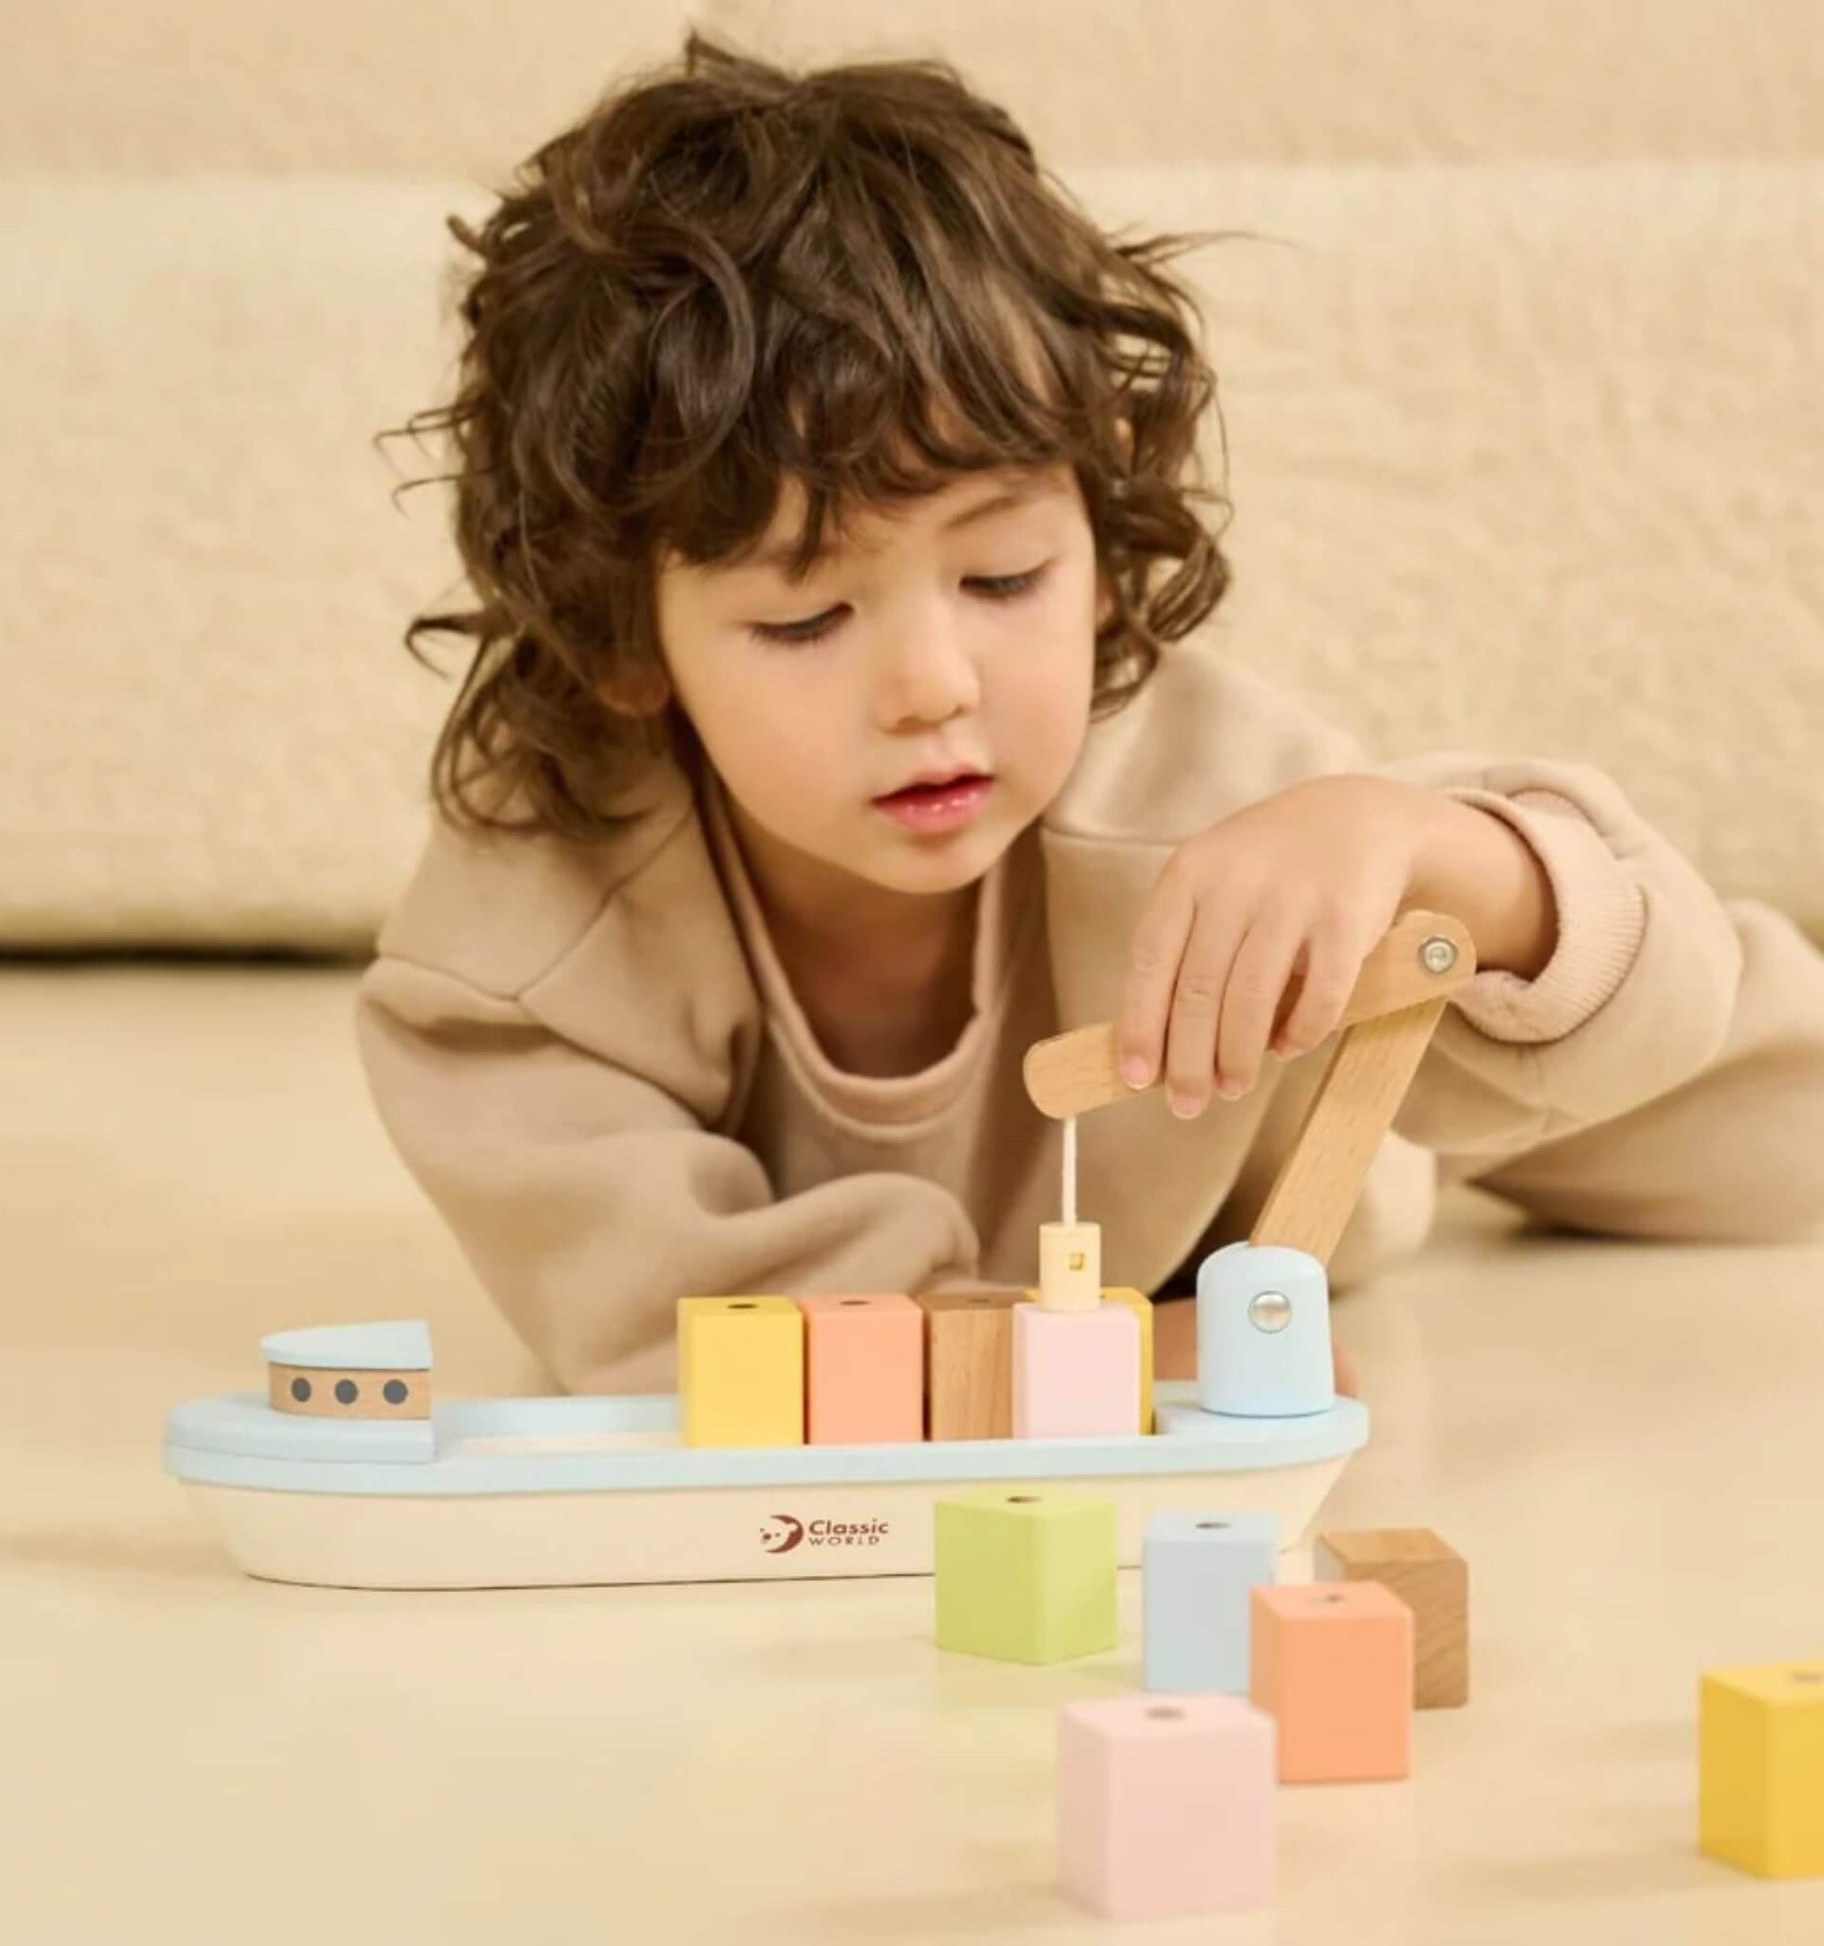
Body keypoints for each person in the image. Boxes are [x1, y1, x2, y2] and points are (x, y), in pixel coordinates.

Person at [355, 27, 1824, 1398]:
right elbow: (699, 1344)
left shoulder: (1206, 794)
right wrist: (1166, 1352)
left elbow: (1663, 998)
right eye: (805, 617)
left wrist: (1439, 856)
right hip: (1158, 1288)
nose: (931, 684)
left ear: (1106, 554)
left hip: (1355, 1119)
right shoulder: (518, 959)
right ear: (624, 642)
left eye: (1002, 575)